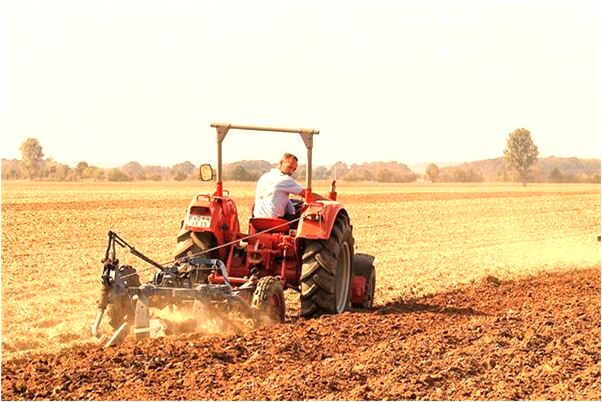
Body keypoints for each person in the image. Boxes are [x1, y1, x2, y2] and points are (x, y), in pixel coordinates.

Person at [253, 153, 306, 219]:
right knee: (304, 218)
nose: (291, 172)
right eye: (289, 167)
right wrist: (322, 200)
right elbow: (307, 194)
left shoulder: (264, 176)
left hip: (257, 220)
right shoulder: (285, 179)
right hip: (275, 221)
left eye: (294, 169)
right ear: (281, 163)